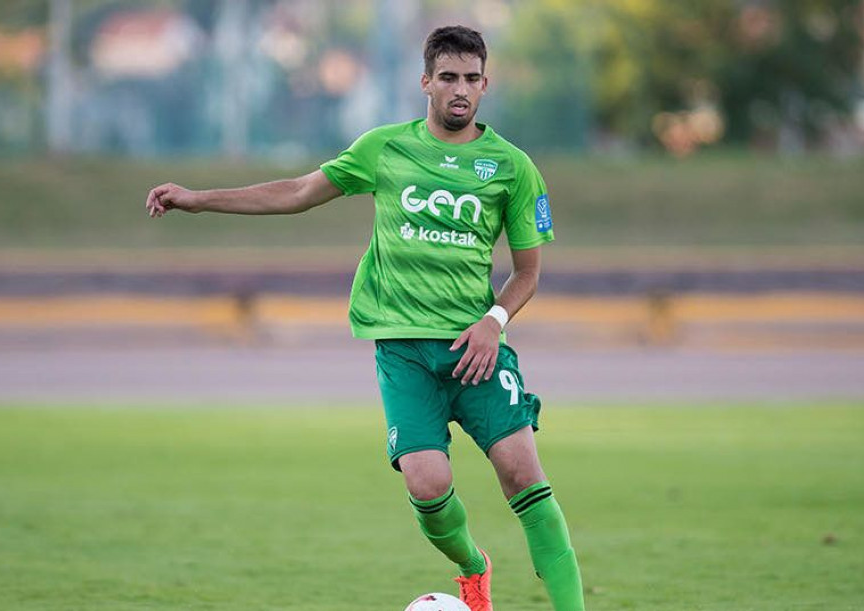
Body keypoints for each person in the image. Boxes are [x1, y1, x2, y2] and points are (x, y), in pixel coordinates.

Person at [145, 25, 584, 611]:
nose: (460, 89)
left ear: (485, 85)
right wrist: (199, 199)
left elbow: (528, 272)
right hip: (403, 350)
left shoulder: (512, 167)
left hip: (475, 350)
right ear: (425, 81)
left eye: (472, 79)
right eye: (448, 77)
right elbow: (298, 191)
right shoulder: (384, 148)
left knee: (524, 479)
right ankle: (473, 567)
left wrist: (495, 320)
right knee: (428, 488)